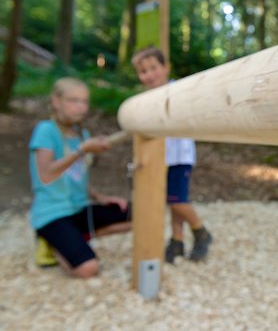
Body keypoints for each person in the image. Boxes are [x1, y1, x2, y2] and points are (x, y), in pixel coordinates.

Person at [29, 77, 131, 279]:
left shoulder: (81, 133)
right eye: (74, 101)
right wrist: (81, 150)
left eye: (84, 101)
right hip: (53, 213)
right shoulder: (46, 130)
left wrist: (100, 197)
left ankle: (77, 237)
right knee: (89, 269)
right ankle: (50, 242)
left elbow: (76, 177)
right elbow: (46, 175)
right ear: (56, 101)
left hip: (79, 208)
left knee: (137, 214)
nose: (81, 107)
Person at [131, 47, 212, 263]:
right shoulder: (147, 97)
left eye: (153, 68)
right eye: (143, 71)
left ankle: (201, 231)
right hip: (162, 157)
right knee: (174, 200)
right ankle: (177, 241)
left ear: (165, 68)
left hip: (180, 155)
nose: (149, 74)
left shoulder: (178, 90)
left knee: (176, 200)